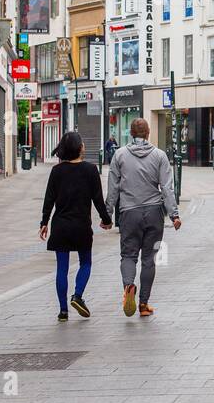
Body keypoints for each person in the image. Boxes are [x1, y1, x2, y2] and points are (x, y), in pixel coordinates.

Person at [107, 117, 181, 318]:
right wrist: (174, 214)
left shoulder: (119, 155)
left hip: (129, 213)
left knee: (128, 256)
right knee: (149, 259)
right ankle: (143, 304)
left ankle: (129, 287)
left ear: (131, 134)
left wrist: (107, 214)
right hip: (154, 213)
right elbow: (167, 187)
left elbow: (113, 187)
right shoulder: (159, 155)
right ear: (148, 133)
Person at [39, 130, 112, 323]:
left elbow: (49, 199)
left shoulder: (57, 171)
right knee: (85, 263)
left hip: (60, 226)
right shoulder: (90, 170)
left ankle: (63, 311)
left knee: (61, 269)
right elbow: (98, 200)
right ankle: (77, 295)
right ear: (80, 148)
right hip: (81, 226)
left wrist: (44, 223)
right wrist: (106, 219)